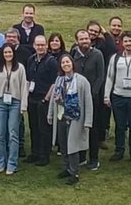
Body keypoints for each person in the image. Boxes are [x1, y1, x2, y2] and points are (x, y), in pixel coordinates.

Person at [47, 52, 93, 186]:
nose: (66, 64)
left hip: (76, 118)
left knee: (73, 145)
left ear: (72, 64)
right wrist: (50, 114)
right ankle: (66, 168)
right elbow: (53, 100)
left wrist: (88, 121)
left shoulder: (82, 81)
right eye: (63, 63)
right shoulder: (59, 80)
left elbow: (88, 102)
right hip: (61, 116)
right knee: (63, 144)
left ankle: (75, 172)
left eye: (68, 62)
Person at [105, 29, 131, 163]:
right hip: (118, 96)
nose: (128, 43)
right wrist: (107, 96)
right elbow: (110, 77)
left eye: (130, 41)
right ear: (122, 43)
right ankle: (119, 151)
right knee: (119, 126)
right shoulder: (115, 58)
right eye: (126, 41)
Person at [0, 43, 29, 175]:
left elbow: (24, 87)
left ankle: (12, 164)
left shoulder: (20, 68)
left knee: (13, 133)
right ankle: (1, 162)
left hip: (15, 102)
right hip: (1, 102)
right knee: (0, 134)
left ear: (14, 53)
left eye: (10, 52)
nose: (8, 55)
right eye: (5, 52)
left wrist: (23, 105)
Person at [70, 28, 106, 171]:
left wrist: (92, 93)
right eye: (82, 39)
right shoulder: (74, 54)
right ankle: (81, 156)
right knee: (78, 128)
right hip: (76, 98)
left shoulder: (97, 54)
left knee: (92, 129)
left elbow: (100, 76)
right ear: (77, 41)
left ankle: (94, 158)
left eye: (86, 39)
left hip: (92, 98)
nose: (85, 41)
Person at [27, 34, 60, 166]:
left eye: (42, 45)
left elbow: (54, 82)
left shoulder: (51, 61)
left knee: (44, 129)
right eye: (37, 45)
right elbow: (29, 79)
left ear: (46, 46)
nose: (40, 47)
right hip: (32, 98)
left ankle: (44, 155)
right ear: (34, 46)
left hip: (44, 99)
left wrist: (46, 99)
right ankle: (34, 152)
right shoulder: (31, 59)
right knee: (33, 126)